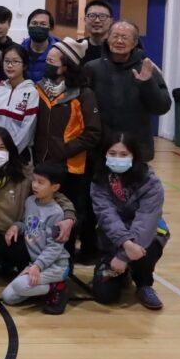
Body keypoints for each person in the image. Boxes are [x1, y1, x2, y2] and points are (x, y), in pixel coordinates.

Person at [0, 127, 77, 295]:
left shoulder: (25, 176)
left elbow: (58, 197)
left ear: (10, 150)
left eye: (2, 148)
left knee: (30, 274)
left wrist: (69, 218)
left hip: (19, 239)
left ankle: (55, 283)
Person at [35, 37, 102, 257]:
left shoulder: (83, 94)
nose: (48, 63)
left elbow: (92, 134)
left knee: (67, 216)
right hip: (41, 165)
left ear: (66, 66)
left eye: (52, 61)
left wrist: (64, 150)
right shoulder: (39, 89)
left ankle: (65, 265)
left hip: (70, 168)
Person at [89, 133, 169, 310]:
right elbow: (106, 215)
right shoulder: (99, 180)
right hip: (115, 237)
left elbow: (146, 221)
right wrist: (124, 244)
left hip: (145, 236)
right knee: (104, 295)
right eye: (113, 153)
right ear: (105, 155)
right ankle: (120, 273)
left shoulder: (150, 182)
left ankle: (144, 284)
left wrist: (124, 256)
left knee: (149, 248)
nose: (118, 158)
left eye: (124, 154)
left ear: (134, 156)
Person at [84, 20, 171, 162]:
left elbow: (162, 107)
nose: (119, 41)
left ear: (135, 42)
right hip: (99, 147)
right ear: (107, 39)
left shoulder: (147, 68)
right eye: (115, 36)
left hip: (137, 147)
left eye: (125, 37)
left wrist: (147, 83)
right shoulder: (92, 68)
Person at [0, 161, 71, 314]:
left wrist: (37, 266)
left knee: (20, 286)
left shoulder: (56, 213)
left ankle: (57, 286)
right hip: (36, 263)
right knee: (7, 297)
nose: (35, 185)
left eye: (41, 182)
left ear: (55, 187)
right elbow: (30, 226)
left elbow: (55, 247)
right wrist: (16, 227)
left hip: (56, 265)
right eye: (34, 180)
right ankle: (42, 289)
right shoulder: (30, 201)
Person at [0, 43, 39, 158]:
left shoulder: (31, 93)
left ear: (25, 66)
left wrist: (11, 154)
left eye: (15, 61)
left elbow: (27, 129)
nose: (10, 65)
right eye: (6, 61)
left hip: (19, 155)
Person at [20, 8, 58, 83]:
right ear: (28, 26)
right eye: (34, 23)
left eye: (43, 24)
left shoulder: (59, 51)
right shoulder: (20, 50)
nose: (38, 27)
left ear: (51, 27)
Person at [80, 0, 114, 64]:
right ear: (85, 20)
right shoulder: (77, 47)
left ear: (111, 21)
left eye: (102, 16)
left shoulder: (118, 48)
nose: (97, 20)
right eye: (92, 16)